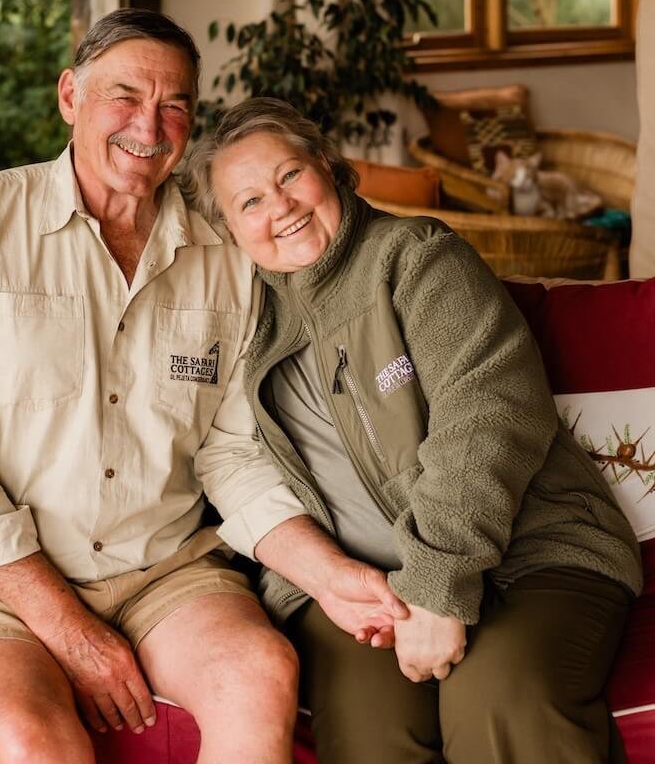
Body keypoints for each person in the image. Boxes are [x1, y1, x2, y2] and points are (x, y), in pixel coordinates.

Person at [0, 10, 407, 764]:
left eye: (175, 105)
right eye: (125, 96)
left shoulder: (226, 252)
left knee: (261, 673)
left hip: (166, 571)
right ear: (70, 95)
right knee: (32, 743)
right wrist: (72, 632)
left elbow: (232, 453)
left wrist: (328, 575)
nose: (150, 123)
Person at [186, 96, 643, 764]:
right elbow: (228, 463)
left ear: (327, 166)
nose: (278, 206)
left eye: (289, 176)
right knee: (370, 734)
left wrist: (434, 585)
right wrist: (334, 582)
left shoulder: (416, 258)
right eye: (249, 201)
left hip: (534, 551)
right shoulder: (241, 319)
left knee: (500, 699)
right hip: (361, 586)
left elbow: (487, 413)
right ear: (229, 230)